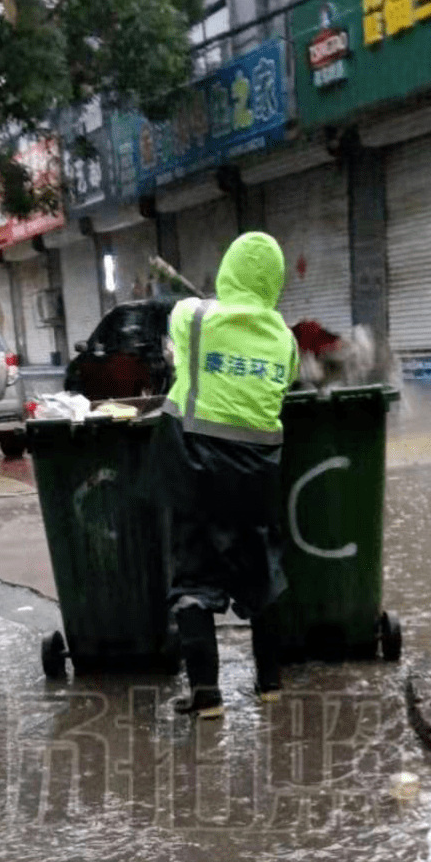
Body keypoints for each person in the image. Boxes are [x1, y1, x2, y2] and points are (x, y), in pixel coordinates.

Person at [152, 231, 299, 718]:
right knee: (261, 579)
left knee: (193, 580)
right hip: (256, 481)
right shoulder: (285, 338)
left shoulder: (192, 317)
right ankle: (271, 684)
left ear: (228, 271)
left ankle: (206, 696)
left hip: (197, 476)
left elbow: (173, 339)